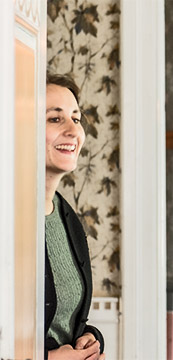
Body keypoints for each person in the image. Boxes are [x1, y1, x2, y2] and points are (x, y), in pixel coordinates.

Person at [44, 74, 106, 360]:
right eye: (55, 119)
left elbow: (62, 321)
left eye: (76, 118)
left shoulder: (66, 216)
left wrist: (91, 339)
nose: (73, 131)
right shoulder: (7, 218)